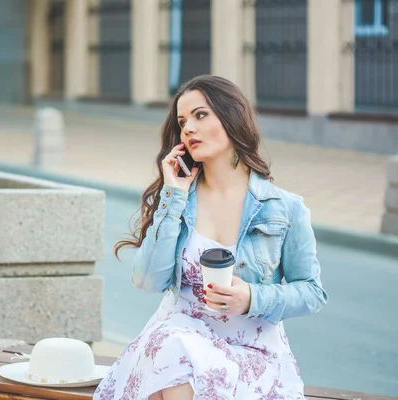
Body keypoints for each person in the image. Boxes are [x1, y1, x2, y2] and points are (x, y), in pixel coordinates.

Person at [93, 75, 328, 400]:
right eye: (182, 121)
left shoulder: (285, 209)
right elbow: (147, 280)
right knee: (174, 348)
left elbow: (312, 291)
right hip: (179, 338)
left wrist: (252, 297)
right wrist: (172, 197)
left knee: (174, 358)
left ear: (232, 118)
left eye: (200, 115)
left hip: (250, 350)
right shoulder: (179, 200)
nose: (188, 128)